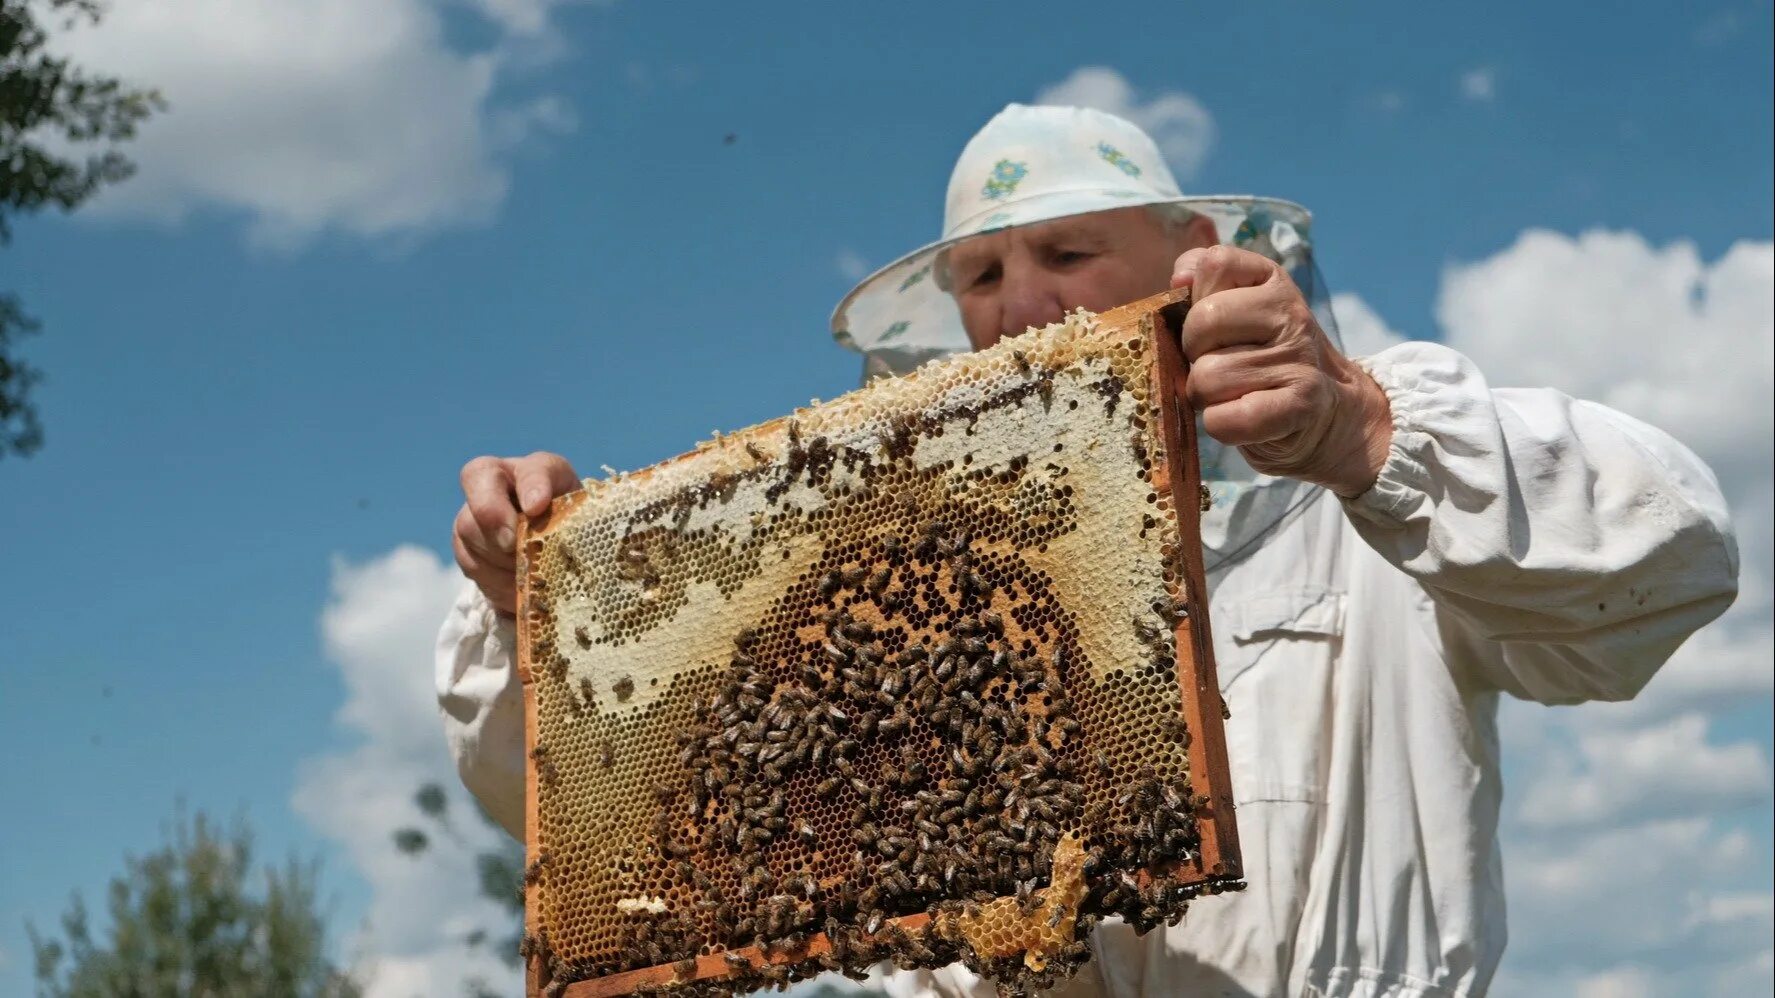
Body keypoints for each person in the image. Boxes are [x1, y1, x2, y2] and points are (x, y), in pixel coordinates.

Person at [436, 104, 1739, 997]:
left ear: (1188, 262)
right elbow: (594, 810)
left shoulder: (1366, 495)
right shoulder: (897, 604)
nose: (1025, 304)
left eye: (1068, 252)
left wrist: (1365, 432)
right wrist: (540, 617)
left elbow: (1671, 558)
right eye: (985, 277)